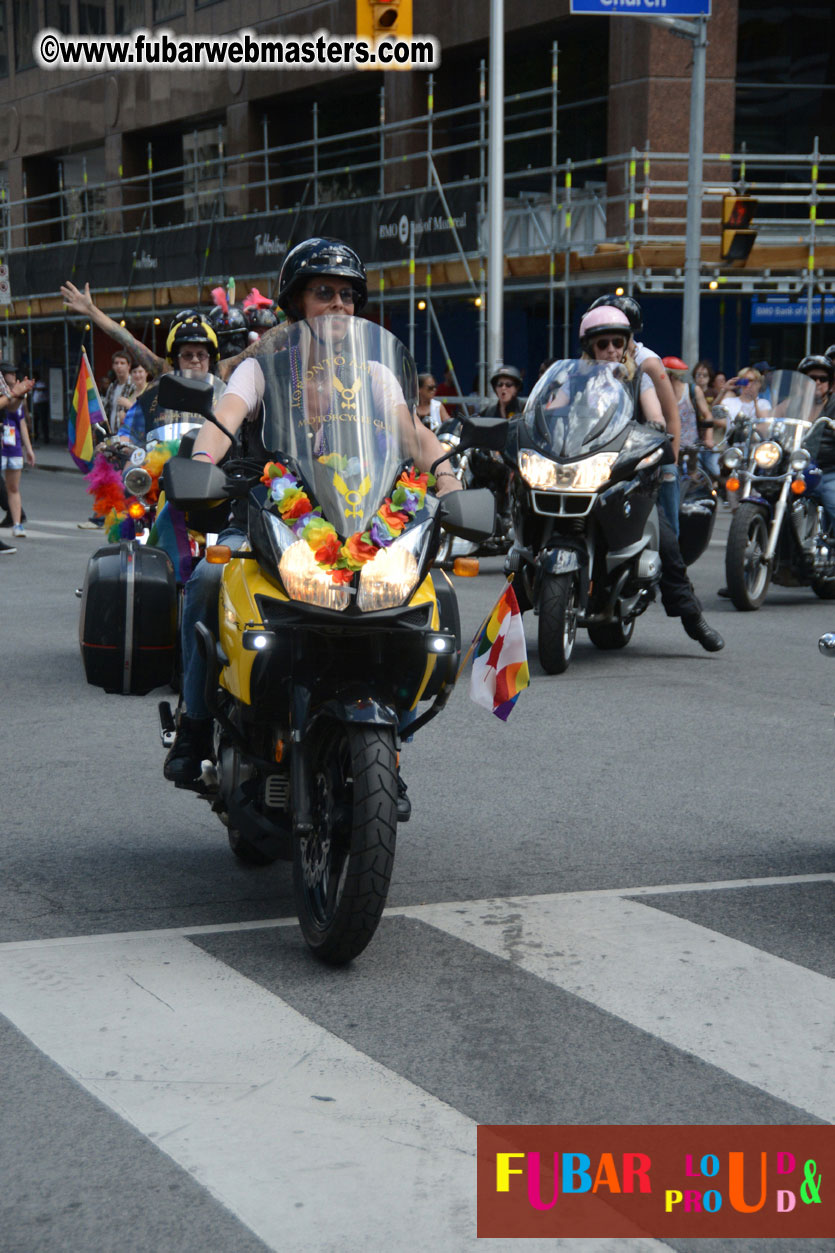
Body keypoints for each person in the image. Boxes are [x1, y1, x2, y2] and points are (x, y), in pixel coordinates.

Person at [164, 237, 462, 815]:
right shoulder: (262, 369)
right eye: (324, 293)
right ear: (297, 301)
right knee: (205, 580)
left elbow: (411, 436)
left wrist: (447, 477)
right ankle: (196, 725)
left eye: (348, 296)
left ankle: (387, 749)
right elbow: (224, 422)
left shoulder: (373, 373)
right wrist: (203, 464)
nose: (339, 305)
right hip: (268, 518)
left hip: (357, 521)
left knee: (426, 594)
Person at [578, 309, 724, 653]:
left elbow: (657, 413)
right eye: (604, 344)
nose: (612, 349)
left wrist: (657, 430)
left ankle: (692, 618)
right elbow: (557, 406)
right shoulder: (577, 379)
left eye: (618, 342)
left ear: (628, 344)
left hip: (627, 473)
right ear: (591, 349)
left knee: (666, 541)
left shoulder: (639, 376)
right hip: (585, 472)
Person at [587, 293, 681, 533]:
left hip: (643, 448)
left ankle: (673, 551)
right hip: (600, 451)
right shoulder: (583, 369)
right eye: (601, 340)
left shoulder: (646, 363)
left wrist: (671, 459)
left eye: (617, 340)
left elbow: (669, 415)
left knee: (665, 510)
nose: (610, 348)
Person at [662, 356, 718, 479]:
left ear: (670, 376)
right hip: (669, 448)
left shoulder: (693, 390)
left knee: (707, 474)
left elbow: (707, 415)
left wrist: (708, 438)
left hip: (691, 447)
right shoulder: (660, 394)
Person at [0, 361, 36, 538]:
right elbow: (4, 404)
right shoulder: (5, 392)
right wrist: (15, 392)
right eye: (9, 374)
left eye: (14, 374)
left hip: (12, 444)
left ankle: (17, 524)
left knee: (13, 486)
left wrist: (28, 448)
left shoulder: (16, 394)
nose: (12, 377)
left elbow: (20, 420)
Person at [103, 351, 135, 430]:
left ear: (129, 366)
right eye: (116, 363)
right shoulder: (112, 387)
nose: (119, 366)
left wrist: (129, 405)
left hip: (129, 433)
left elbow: (140, 411)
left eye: (122, 363)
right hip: (113, 433)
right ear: (113, 366)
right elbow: (106, 410)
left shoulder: (134, 386)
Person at [31, 374, 50, 445]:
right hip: (36, 404)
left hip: (42, 404)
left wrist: (34, 387)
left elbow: (42, 388)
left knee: (43, 421)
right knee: (35, 421)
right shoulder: (35, 384)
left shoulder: (40, 383)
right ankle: (35, 436)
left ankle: (46, 438)